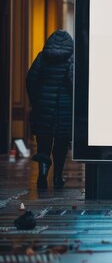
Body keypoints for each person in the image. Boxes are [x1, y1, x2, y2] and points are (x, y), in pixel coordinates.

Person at [26, 30, 74, 190]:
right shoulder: (70, 59)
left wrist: (37, 101)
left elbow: (31, 79)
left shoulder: (42, 57)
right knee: (60, 146)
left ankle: (42, 175)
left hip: (43, 107)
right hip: (64, 109)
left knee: (43, 145)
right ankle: (58, 177)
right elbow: (72, 82)